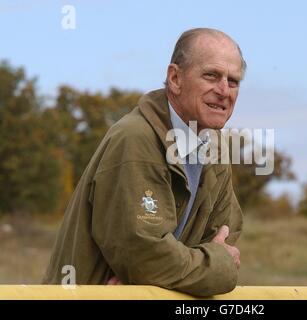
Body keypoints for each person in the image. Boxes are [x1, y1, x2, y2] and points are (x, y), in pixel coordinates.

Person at [43, 28, 246, 297]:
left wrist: (161, 276)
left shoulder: (215, 148)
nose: (223, 90)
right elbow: (145, 256)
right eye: (211, 75)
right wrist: (214, 267)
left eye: (233, 81)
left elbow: (225, 235)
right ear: (175, 78)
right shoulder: (136, 139)